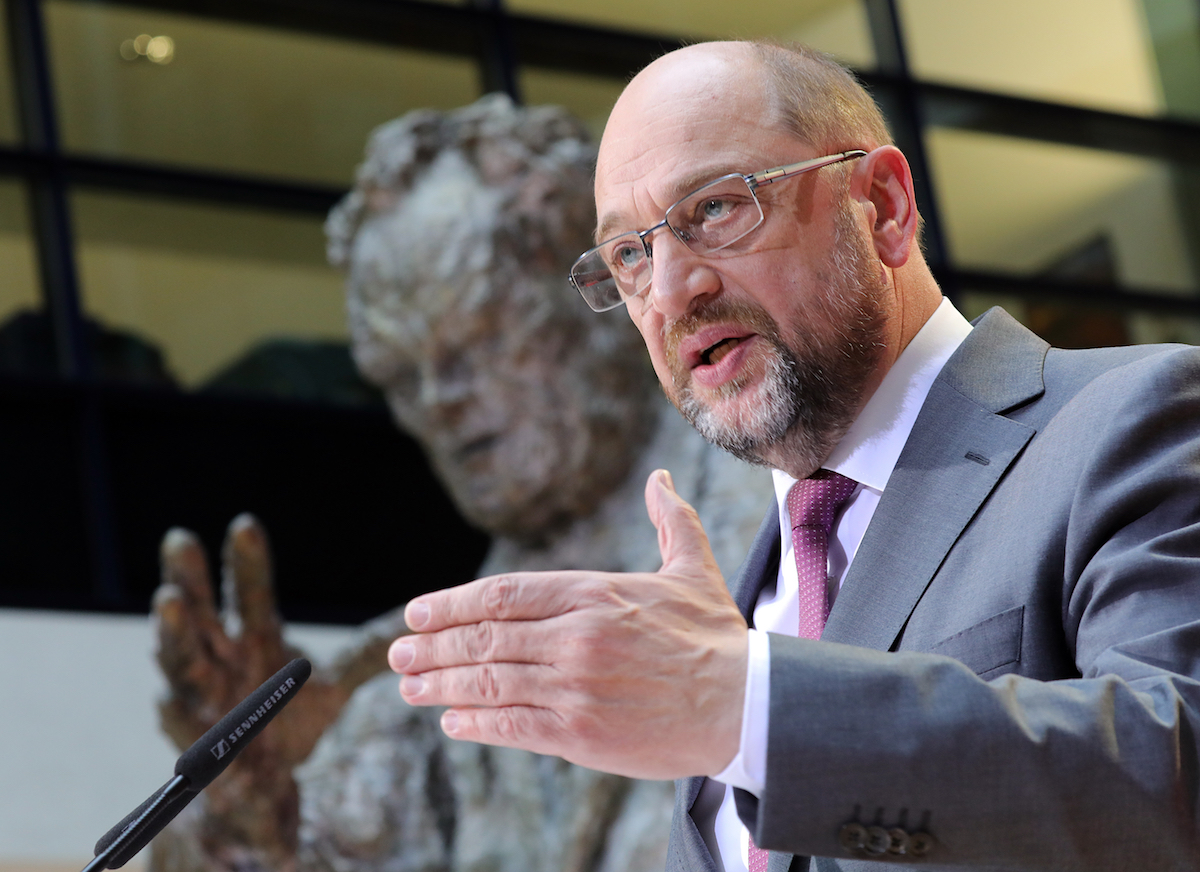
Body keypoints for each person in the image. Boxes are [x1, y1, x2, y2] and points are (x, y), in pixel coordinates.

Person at [387, 41, 1200, 871]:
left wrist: (742, 708)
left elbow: (1179, 769)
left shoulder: (1136, 416)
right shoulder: (741, 598)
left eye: (713, 209)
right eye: (630, 254)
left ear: (882, 206)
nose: (670, 291)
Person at [149, 94, 774, 872]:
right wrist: (249, 809)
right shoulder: (415, 676)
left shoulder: (794, 518)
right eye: (402, 377)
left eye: (481, 340)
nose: (443, 401)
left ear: (602, 294)